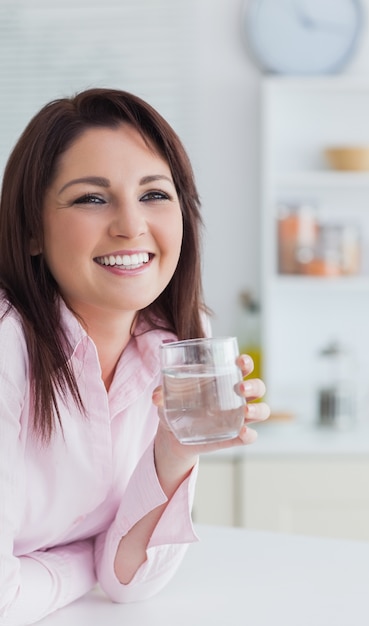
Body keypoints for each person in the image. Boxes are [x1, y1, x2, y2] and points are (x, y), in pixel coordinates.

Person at [0, 87, 270, 625]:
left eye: (154, 194)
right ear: (32, 228)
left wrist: (173, 455)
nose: (130, 225)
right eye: (91, 198)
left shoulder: (178, 347)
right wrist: (86, 564)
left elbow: (128, 583)